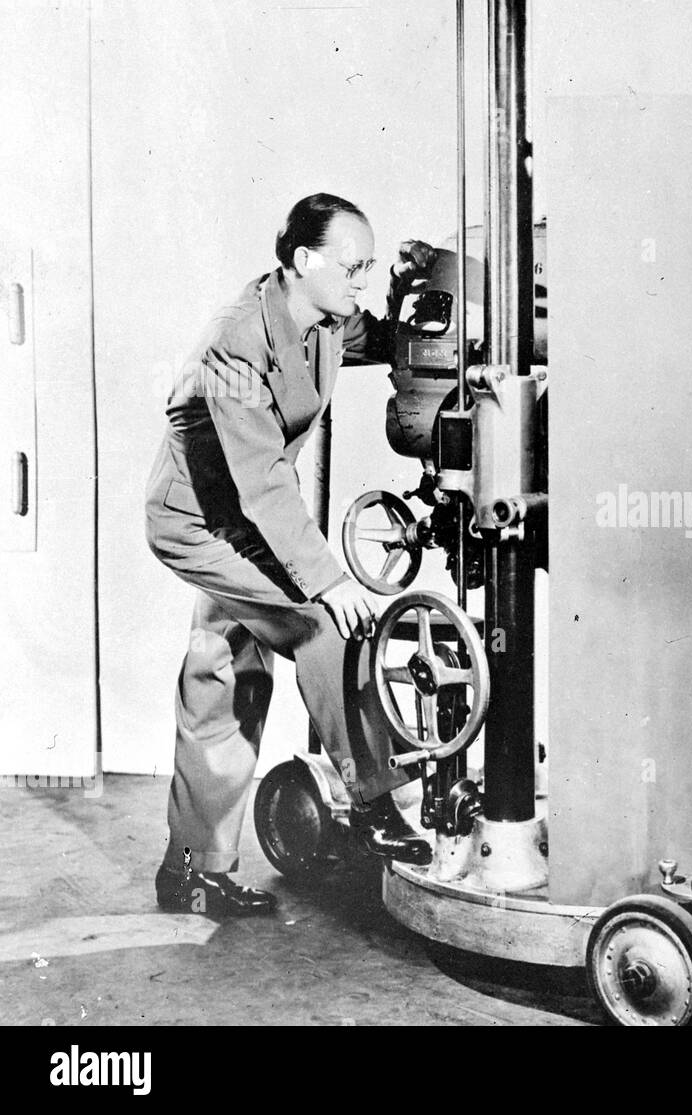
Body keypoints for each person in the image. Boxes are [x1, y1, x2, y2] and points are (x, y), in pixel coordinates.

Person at [145, 193, 437, 916]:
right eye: (352, 267)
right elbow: (264, 484)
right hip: (202, 522)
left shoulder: (324, 319)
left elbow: (390, 342)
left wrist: (422, 303)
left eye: (368, 268)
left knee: (224, 673)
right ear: (303, 261)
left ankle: (191, 869)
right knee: (323, 626)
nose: (359, 281)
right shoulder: (235, 341)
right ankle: (371, 801)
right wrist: (328, 578)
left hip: (243, 517)